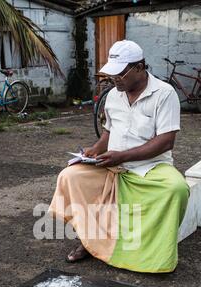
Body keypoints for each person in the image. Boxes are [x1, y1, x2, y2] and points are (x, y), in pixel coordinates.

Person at [48, 40, 190, 273]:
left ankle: (154, 252)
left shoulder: (164, 94)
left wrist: (121, 156)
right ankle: (89, 240)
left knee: (176, 189)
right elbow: (109, 132)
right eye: (113, 74)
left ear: (140, 67)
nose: (115, 79)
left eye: (120, 74)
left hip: (150, 166)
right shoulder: (113, 95)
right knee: (69, 177)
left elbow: (166, 141)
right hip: (112, 164)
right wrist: (95, 150)